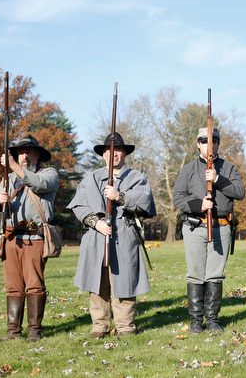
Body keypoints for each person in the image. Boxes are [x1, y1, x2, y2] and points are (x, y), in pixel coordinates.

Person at [68, 133, 156, 338]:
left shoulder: (137, 178)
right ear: (103, 154)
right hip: (95, 237)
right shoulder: (90, 179)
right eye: (109, 150)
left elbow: (145, 202)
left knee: (124, 281)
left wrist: (120, 197)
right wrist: (95, 222)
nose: (113, 154)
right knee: (97, 283)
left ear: (124, 153)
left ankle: (125, 327)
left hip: (124, 236)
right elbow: (78, 206)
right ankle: (100, 326)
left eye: (118, 150)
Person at [173, 128, 245, 333]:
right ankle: (196, 321)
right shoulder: (188, 169)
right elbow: (177, 197)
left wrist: (217, 179)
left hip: (221, 228)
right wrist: (198, 205)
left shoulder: (229, 168)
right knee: (195, 275)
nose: (209, 145)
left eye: (213, 141)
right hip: (195, 227)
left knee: (214, 275)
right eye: (204, 141)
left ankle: (212, 320)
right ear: (198, 144)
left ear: (218, 144)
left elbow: (240, 192)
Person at [0, 135, 59, 342]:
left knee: (35, 285)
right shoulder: (8, 179)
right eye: (20, 153)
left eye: (29, 152)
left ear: (37, 155)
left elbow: (38, 184)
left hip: (35, 238)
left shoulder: (49, 173)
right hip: (11, 238)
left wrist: (13, 167)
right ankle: (13, 332)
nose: (24, 156)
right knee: (13, 286)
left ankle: (34, 332)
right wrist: (0, 201)